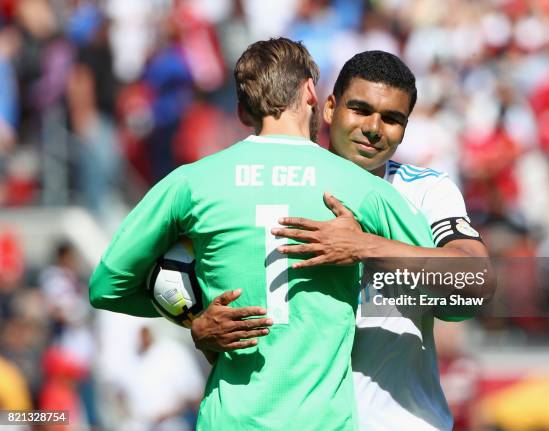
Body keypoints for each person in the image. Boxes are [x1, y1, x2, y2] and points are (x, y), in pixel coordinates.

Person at [89, 38, 434, 430]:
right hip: (321, 421)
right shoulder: (360, 186)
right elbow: (460, 291)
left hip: (228, 420)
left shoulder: (191, 182)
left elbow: (105, 287)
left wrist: (193, 319)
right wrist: (367, 248)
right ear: (310, 92)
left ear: (241, 111)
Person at [190, 51, 491, 431]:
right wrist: (197, 327)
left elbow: (474, 285)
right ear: (330, 107)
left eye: (392, 119)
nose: (374, 128)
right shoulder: (273, 185)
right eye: (360, 109)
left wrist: (363, 247)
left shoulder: (426, 192)